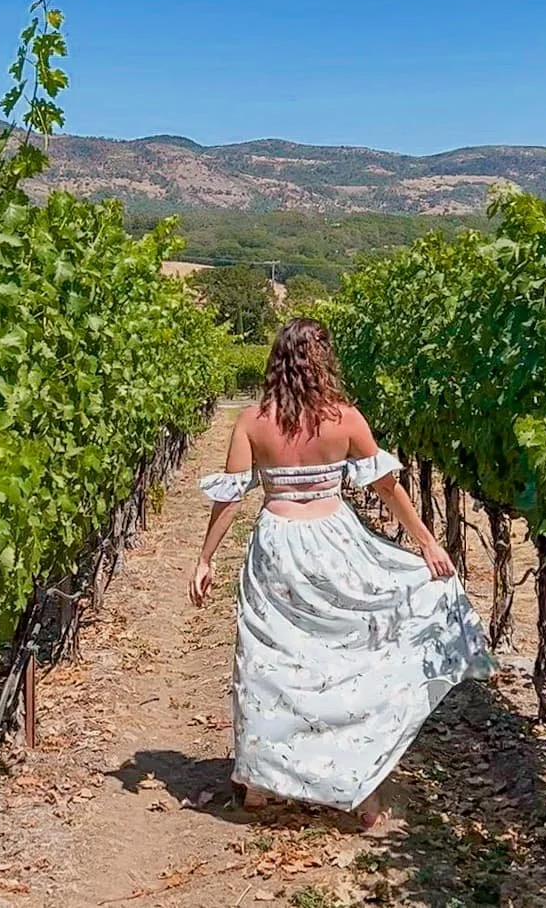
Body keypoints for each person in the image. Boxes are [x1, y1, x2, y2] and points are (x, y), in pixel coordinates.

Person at [189, 318, 493, 828]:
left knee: (270, 658)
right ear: (324, 362)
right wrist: (426, 543)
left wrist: (205, 557)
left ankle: (260, 784)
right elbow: (387, 487)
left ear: (276, 362)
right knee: (344, 657)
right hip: (334, 542)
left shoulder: (252, 422)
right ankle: (357, 781)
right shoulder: (345, 419)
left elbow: (231, 498)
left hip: (277, 545)